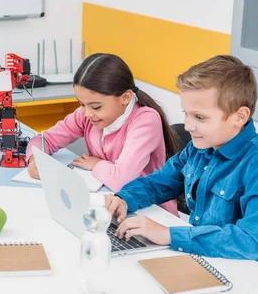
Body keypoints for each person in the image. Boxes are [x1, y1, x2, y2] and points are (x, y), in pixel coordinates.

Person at [107, 55, 258, 274]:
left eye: (200, 117)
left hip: (246, 277)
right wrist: (124, 198)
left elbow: (252, 242)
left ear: (239, 116)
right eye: (186, 114)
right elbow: (159, 183)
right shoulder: (200, 147)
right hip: (203, 260)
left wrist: (169, 234)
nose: (188, 126)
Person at [26, 53, 180, 215]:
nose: (86, 113)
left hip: (150, 211)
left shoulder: (145, 120)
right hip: (108, 202)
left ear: (125, 97)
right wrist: (35, 158)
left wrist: (96, 164)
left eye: (96, 106)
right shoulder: (87, 114)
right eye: (82, 104)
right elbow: (45, 139)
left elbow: (122, 180)